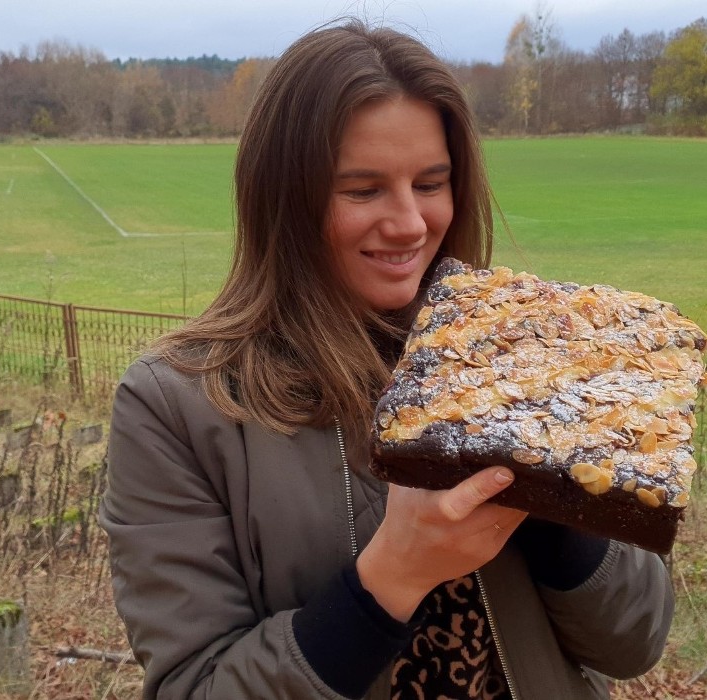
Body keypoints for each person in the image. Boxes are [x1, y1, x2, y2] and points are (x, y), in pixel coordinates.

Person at [100, 20, 675, 700]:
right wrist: (393, 575)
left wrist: (546, 497)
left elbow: (634, 641)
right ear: (284, 199)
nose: (408, 223)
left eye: (431, 183)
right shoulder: (177, 404)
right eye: (363, 189)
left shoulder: (521, 349)